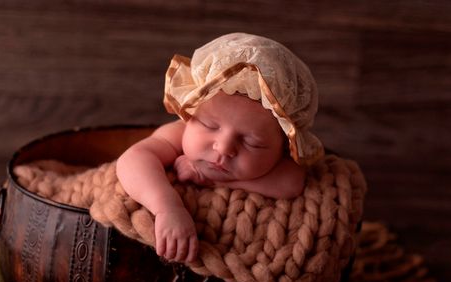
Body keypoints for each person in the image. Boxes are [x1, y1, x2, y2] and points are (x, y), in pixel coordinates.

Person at [116, 33, 325, 264]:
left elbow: (293, 182)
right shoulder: (179, 133)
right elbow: (133, 159)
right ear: (190, 112)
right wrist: (167, 207)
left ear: (286, 145)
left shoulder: (283, 157)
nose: (224, 148)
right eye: (209, 125)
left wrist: (213, 179)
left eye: (251, 142)